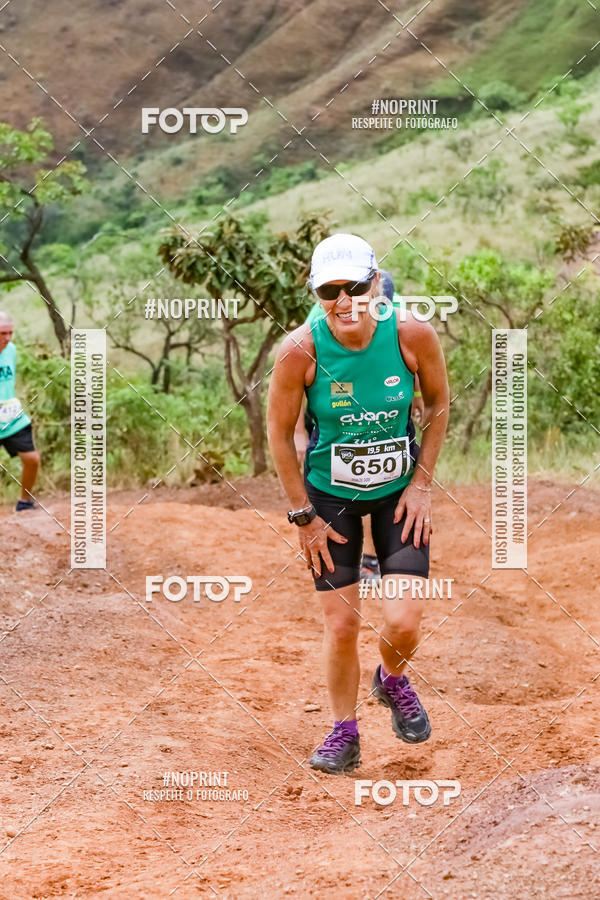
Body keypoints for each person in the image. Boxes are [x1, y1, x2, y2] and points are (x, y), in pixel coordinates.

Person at [267, 234, 449, 774]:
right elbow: (279, 434)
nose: (344, 301)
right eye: (330, 291)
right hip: (329, 499)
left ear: (376, 283)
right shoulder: (300, 350)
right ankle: (344, 733)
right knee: (342, 625)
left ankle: (391, 679)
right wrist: (303, 516)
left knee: (404, 622)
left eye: (355, 287)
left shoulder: (412, 333)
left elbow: (439, 403)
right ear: (316, 294)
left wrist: (422, 484)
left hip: (398, 495)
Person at [293, 269, 425, 582]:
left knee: (385, 480)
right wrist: (298, 432)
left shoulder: (397, 310)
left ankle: (377, 555)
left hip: (384, 402)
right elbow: (294, 374)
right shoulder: (322, 314)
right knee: (343, 479)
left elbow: (416, 355)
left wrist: (417, 395)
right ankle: (357, 553)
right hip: (334, 406)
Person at [0, 312, 40, 511]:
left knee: (32, 460)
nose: (7, 338)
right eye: (2, 333)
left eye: (10, 333)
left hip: (10, 416)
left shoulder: (11, 350)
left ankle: (24, 502)